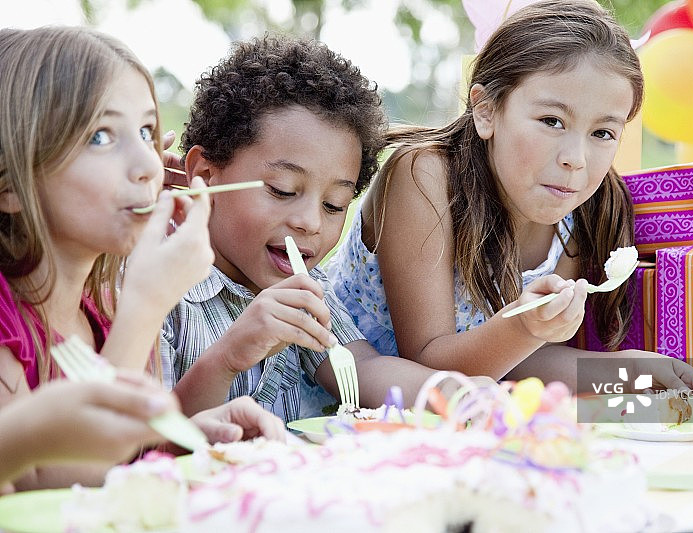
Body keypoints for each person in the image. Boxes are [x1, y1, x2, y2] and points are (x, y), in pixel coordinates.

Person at [326, 0, 693, 394]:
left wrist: (627, 370)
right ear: (486, 110)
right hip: (339, 406)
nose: (575, 160)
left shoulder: (578, 212)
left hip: (459, 417)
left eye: (602, 133)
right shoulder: (426, 177)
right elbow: (427, 361)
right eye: (552, 121)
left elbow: (512, 361)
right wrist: (525, 325)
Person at [161, 34, 484, 422]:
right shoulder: (156, 285)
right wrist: (229, 356)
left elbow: (362, 370)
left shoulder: (305, 287)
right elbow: (148, 439)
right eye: (282, 190)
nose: (310, 222)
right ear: (206, 174)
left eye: (334, 205)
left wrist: (459, 395)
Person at [0, 26, 215, 489]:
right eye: (101, 136)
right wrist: (146, 306)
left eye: (146, 131)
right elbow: (60, 489)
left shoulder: (96, 314)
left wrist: (180, 442)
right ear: (11, 187)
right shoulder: (6, 324)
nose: (149, 165)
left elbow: (118, 468)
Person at [0, 376, 287, 493]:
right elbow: (41, 487)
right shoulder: (8, 311)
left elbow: (120, 459)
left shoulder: (103, 302)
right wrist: (144, 305)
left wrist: (182, 441)